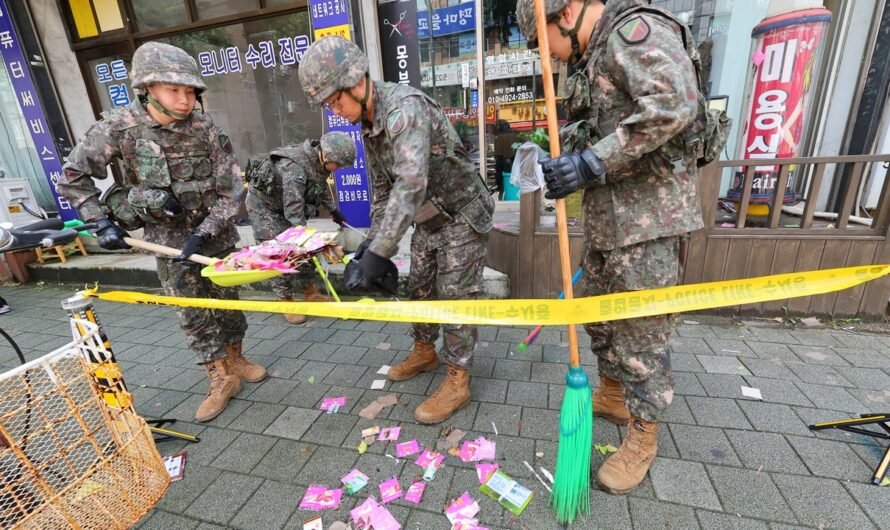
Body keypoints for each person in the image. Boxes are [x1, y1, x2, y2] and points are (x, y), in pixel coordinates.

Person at [517, 0, 704, 494]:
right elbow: (604, 124)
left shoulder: (632, 33)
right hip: (607, 219)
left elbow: (674, 103)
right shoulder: (594, 54)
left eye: (545, 44)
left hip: (648, 219)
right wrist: (564, 154)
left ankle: (644, 435)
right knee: (601, 317)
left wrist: (590, 163)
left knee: (642, 334)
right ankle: (613, 395)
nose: (550, 56)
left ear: (566, 12)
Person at [57, 42, 268, 423]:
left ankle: (236, 359)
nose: (185, 100)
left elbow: (231, 190)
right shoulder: (120, 127)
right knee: (191, 311)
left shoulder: (206, 128)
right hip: (165, 241)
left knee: (228, 303)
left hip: (214, 238)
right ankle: (219, 377)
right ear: (148, 88)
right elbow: (73, 176)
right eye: (174, 90)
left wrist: (203, 234)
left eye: (190, 91)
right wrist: (99, 222)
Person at [298, 36, 495, 425]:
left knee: (453, 297)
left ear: (356, 81)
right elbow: (384, 190)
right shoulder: (368, 124)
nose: (335, 111)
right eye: (328, 105)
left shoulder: (404, 110)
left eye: (335, 101)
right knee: (420, 286)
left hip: (462, 213)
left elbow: (410, 184)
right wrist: (371, 242)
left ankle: (458, 378)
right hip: (427, 218)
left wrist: (380, 252)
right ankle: (424, 350)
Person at [244, 132, 356, 324]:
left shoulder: (317, 161)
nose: (337, 169)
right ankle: (285, 300)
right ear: (326, 156)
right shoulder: (294, 167)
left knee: (302, 249)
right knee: (278, 253)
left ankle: (310, 293)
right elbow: (294, 213)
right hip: (265, 208)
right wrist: (308, 239)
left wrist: (334, 211)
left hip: (285, 204)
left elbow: (318, 187)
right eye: (337, 165)